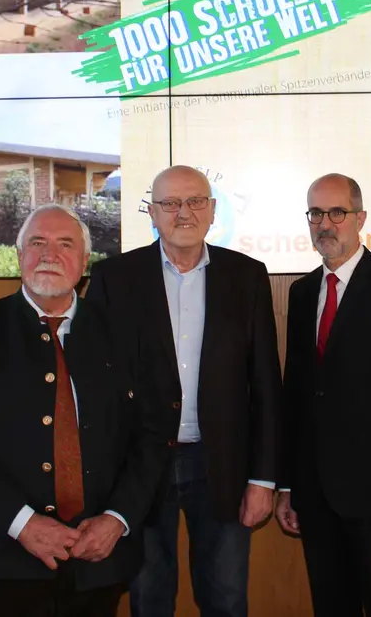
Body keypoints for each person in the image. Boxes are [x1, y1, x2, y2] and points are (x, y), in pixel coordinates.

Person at [0, 204, 176, 617]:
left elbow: (152, 437)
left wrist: (117, 518)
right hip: (4, 552)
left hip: (99, 554)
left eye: (65, 244)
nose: (49, 254)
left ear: (84, 261)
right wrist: (22, 523)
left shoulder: (126, 334)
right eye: (37, 243)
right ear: (18, 254)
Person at [88, 166, 282, 617]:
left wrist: (263, 478)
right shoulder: (114, 278)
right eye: (170, 204)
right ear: (152, 213)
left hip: (223, 465)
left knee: (226, 598)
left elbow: (266, 384)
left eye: (195, 201)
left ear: (212, 211)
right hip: (140, 464)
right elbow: (97, 385)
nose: (183, 213)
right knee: (148, 596)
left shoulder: (246, 276)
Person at [275, 174, 371, 617]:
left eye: (337, 213)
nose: (325, 224)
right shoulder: (303, 293)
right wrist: (289, 485)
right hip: (315, 496)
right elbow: (298, 398)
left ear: (360, 218)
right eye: (316, 213)